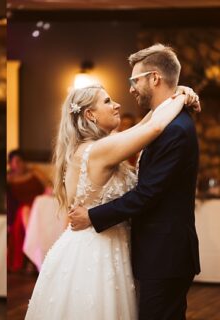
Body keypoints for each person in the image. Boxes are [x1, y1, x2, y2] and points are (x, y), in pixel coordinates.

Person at [24, 81, 199, 318]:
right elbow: (154, 127)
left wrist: (178, 91)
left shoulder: (94, 146)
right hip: (96, 253)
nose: (117, 105)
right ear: (90, 114)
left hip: (105, 244)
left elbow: (146, 122)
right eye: (107, 101)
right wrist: (180, 98)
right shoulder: (98, 150)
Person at [68, 44, 201, 319]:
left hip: (165, 255)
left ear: (154, 78)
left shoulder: (173, 130)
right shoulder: (165, 124)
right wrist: (182, 92)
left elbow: (147, 194)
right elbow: (148, 125)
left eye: (134, 80)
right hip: (150, 254)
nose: (129, 90)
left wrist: (92, 216)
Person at [6, 150, 45, 272]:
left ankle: (35, 259)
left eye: (20, 161)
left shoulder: (34, 173)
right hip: (22, 209)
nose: (18, 164)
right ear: (10, 164)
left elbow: (47, 186)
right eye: (15, 162)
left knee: (30, 214)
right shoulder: (9, 179)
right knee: (24, 213)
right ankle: (33, 259)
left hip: (39, 206)